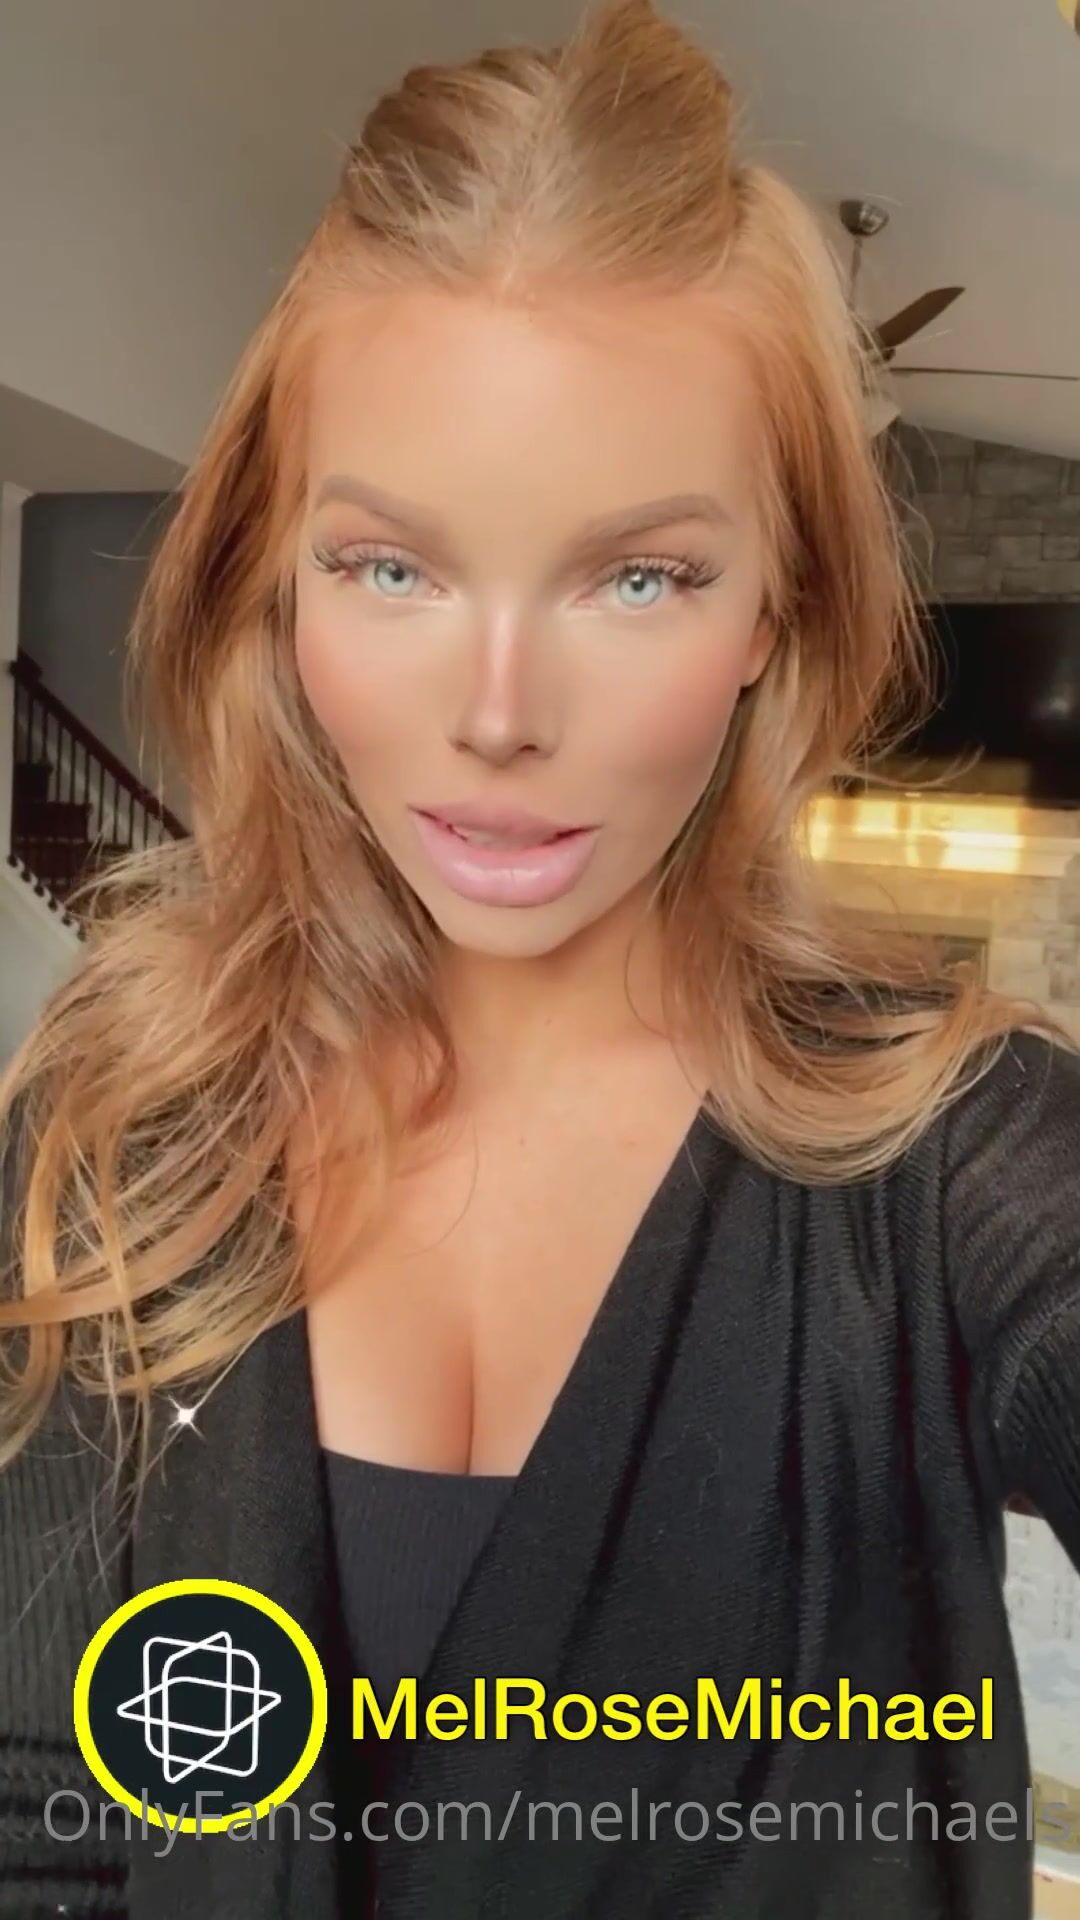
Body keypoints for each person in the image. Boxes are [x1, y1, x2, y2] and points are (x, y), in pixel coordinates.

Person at [2, 1, 1079, 1915]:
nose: (497, 714)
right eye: (390, 566)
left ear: (777, 612)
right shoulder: (129, 1119)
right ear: (277, 578)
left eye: (639, 575)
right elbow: (49, 1820)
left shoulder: (960, 1161)